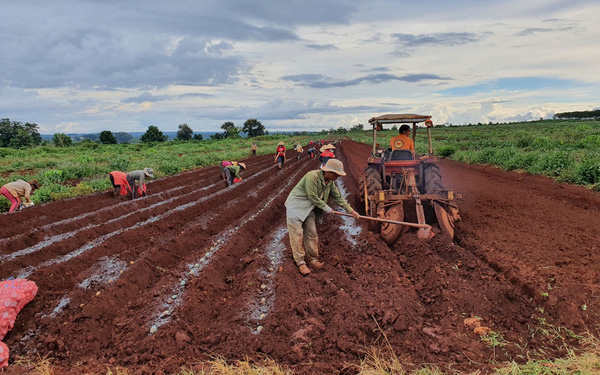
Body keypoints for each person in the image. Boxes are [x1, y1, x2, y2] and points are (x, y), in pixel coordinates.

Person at [285, 159, 360, 276]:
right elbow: (312, 197)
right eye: (337, 174)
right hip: (296, 207)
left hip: (309, 209)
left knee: (312, 234)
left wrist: (351, 211)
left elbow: (339, 198)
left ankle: (313, 259)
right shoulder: (312, 176)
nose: (339, 177)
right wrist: (327, 208)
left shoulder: (330, 182)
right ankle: (300, 262)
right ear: (330, 172)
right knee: (297, 234)